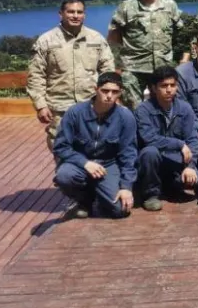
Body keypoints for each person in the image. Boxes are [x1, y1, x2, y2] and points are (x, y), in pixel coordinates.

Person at [28, 0, 115, 151]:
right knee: (60, 148)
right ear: (61, 14)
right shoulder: (46, 41)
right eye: (70, 12)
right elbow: (36, 75)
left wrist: (107, 98)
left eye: (79, 12)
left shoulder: (96, 39)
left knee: (93, 147)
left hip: (91, 104)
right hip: (59, 107)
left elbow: (108, 71)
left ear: (84, 15)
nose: (75, 16)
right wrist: (40, 106)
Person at [52, 72, 136, 219]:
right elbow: (61, 146)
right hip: (80, 163)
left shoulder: (125, 117)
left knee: (120, 210)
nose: (109, 96)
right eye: (105, 90)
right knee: (64, 176)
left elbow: (128, 154)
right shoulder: (75, 112)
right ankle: (84, 201)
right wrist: (85, 163)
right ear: (96, 89)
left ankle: (102, 196)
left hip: (108, 165)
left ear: (120, 93)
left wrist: (126, 187)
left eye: (115, 92)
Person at [108, 0, 184, 107]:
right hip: (133, 67)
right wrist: (117, 65)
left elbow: (181, 32)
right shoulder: (127, 7)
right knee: (133, 107)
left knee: (163, 105)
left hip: (162, 66)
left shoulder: (169, 4)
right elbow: (113, 36)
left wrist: (183, 58)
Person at [135, 66, 198, 211]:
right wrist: (179, 144)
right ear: (154, 88)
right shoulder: (143, 110)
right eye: (164, 86)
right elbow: (149, 138)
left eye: (172, 85)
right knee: (149, 152)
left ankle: (172, 189)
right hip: (154, 161)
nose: (169, 90)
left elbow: (193, 140)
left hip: (175, 159)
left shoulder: (184, 108)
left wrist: (190, 167)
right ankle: (150, 195)